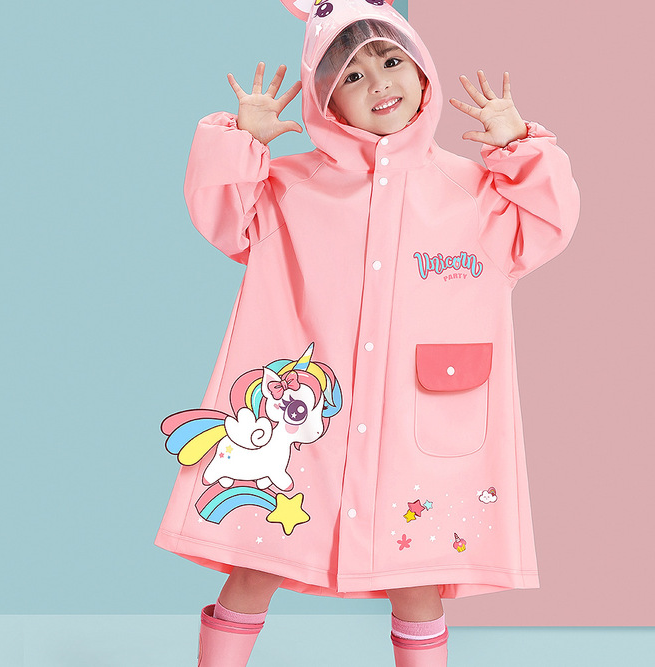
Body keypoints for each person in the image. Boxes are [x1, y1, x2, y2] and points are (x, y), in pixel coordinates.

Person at [155, 1, 580, 665]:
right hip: (305, 430)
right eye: (351, 76)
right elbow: (224, 214)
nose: (379, 82)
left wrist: (519, 146)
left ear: (422, 70)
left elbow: (548, 224)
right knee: (254, 561)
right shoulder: (289, 188)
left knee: (418, 580)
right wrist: (245, 142)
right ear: (325, 102)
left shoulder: (475, 192)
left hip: (421, 434)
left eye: (390, 60)